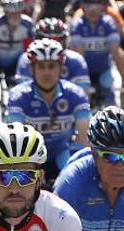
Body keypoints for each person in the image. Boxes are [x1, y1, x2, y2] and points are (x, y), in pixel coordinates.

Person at [6, 39, 91, 185]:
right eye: (41, 67)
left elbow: (85, 140)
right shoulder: (18, 96)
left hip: (62, 154)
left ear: (60, 68)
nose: (47, 72)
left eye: (52, 66)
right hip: (30, 156)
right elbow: (16, 140)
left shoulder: (76, 94)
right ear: (32, 69)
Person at [0, 0, 35, 125]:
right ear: (5, 12)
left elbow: (28, 50)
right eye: (11, 13)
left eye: (17, 13)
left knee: (16, 86)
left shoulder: (27, 24)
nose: (14, 16)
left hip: (16, 60)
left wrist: (26, 71)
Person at [69, 0, 124, 107]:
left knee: (110, 103)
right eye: (89, 3)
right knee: (82, 103)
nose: (93, 8)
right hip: (83, 71)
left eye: (97, 3)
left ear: (103, 6)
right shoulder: (77, 24)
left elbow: (116, 53)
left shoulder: (108, 23)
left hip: (104, 70)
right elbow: (80, 57)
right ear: (83, 6)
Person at [14, 17, 91, 92]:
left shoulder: (76, 60)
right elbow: (22, 92)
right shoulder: (26, 59)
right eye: (46, 42)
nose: (51, 47)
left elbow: (83, 93)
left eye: (57, 42)